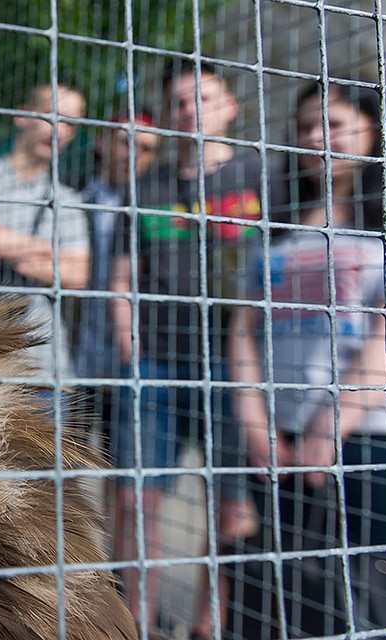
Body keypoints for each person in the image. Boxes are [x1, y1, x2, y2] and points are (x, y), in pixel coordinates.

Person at [229, 81, 386, 639]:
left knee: (363, 593)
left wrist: (334, 424)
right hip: (277, 440)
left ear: (372, 135)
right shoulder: (273, 230)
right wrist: (255, 420)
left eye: (334, 124)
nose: (316, 138)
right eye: (305, 126)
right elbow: (242, 327)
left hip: (366, 437)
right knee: (290, 591)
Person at [109, 60, 261, 637]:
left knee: (230, 507)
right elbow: (120, 277)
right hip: (156, 364)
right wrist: (129, 340)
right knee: (136, 501)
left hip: (234, 366)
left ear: (229, 107)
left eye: (203, 98)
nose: (189, 110)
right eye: (177, 102)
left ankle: (207, 625)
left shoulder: (259, 177)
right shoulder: (144, 189)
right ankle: (136, 623)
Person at [0, 83, 90, 391]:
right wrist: (49, 251)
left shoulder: (68, 200)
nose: (59, 130)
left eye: (70, 123)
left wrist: (3, 242)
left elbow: (76, 275)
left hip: (43, 362)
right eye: (51, 116)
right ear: (22, 116)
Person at [72, 112, 160, 452]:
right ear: (103, 142)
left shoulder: (151, 207)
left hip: (126, 356)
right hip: (76, 353)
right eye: (126, 142)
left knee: (119, 465)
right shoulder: (73, 194)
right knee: (66, 462)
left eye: (146, 148)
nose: (134, 153)